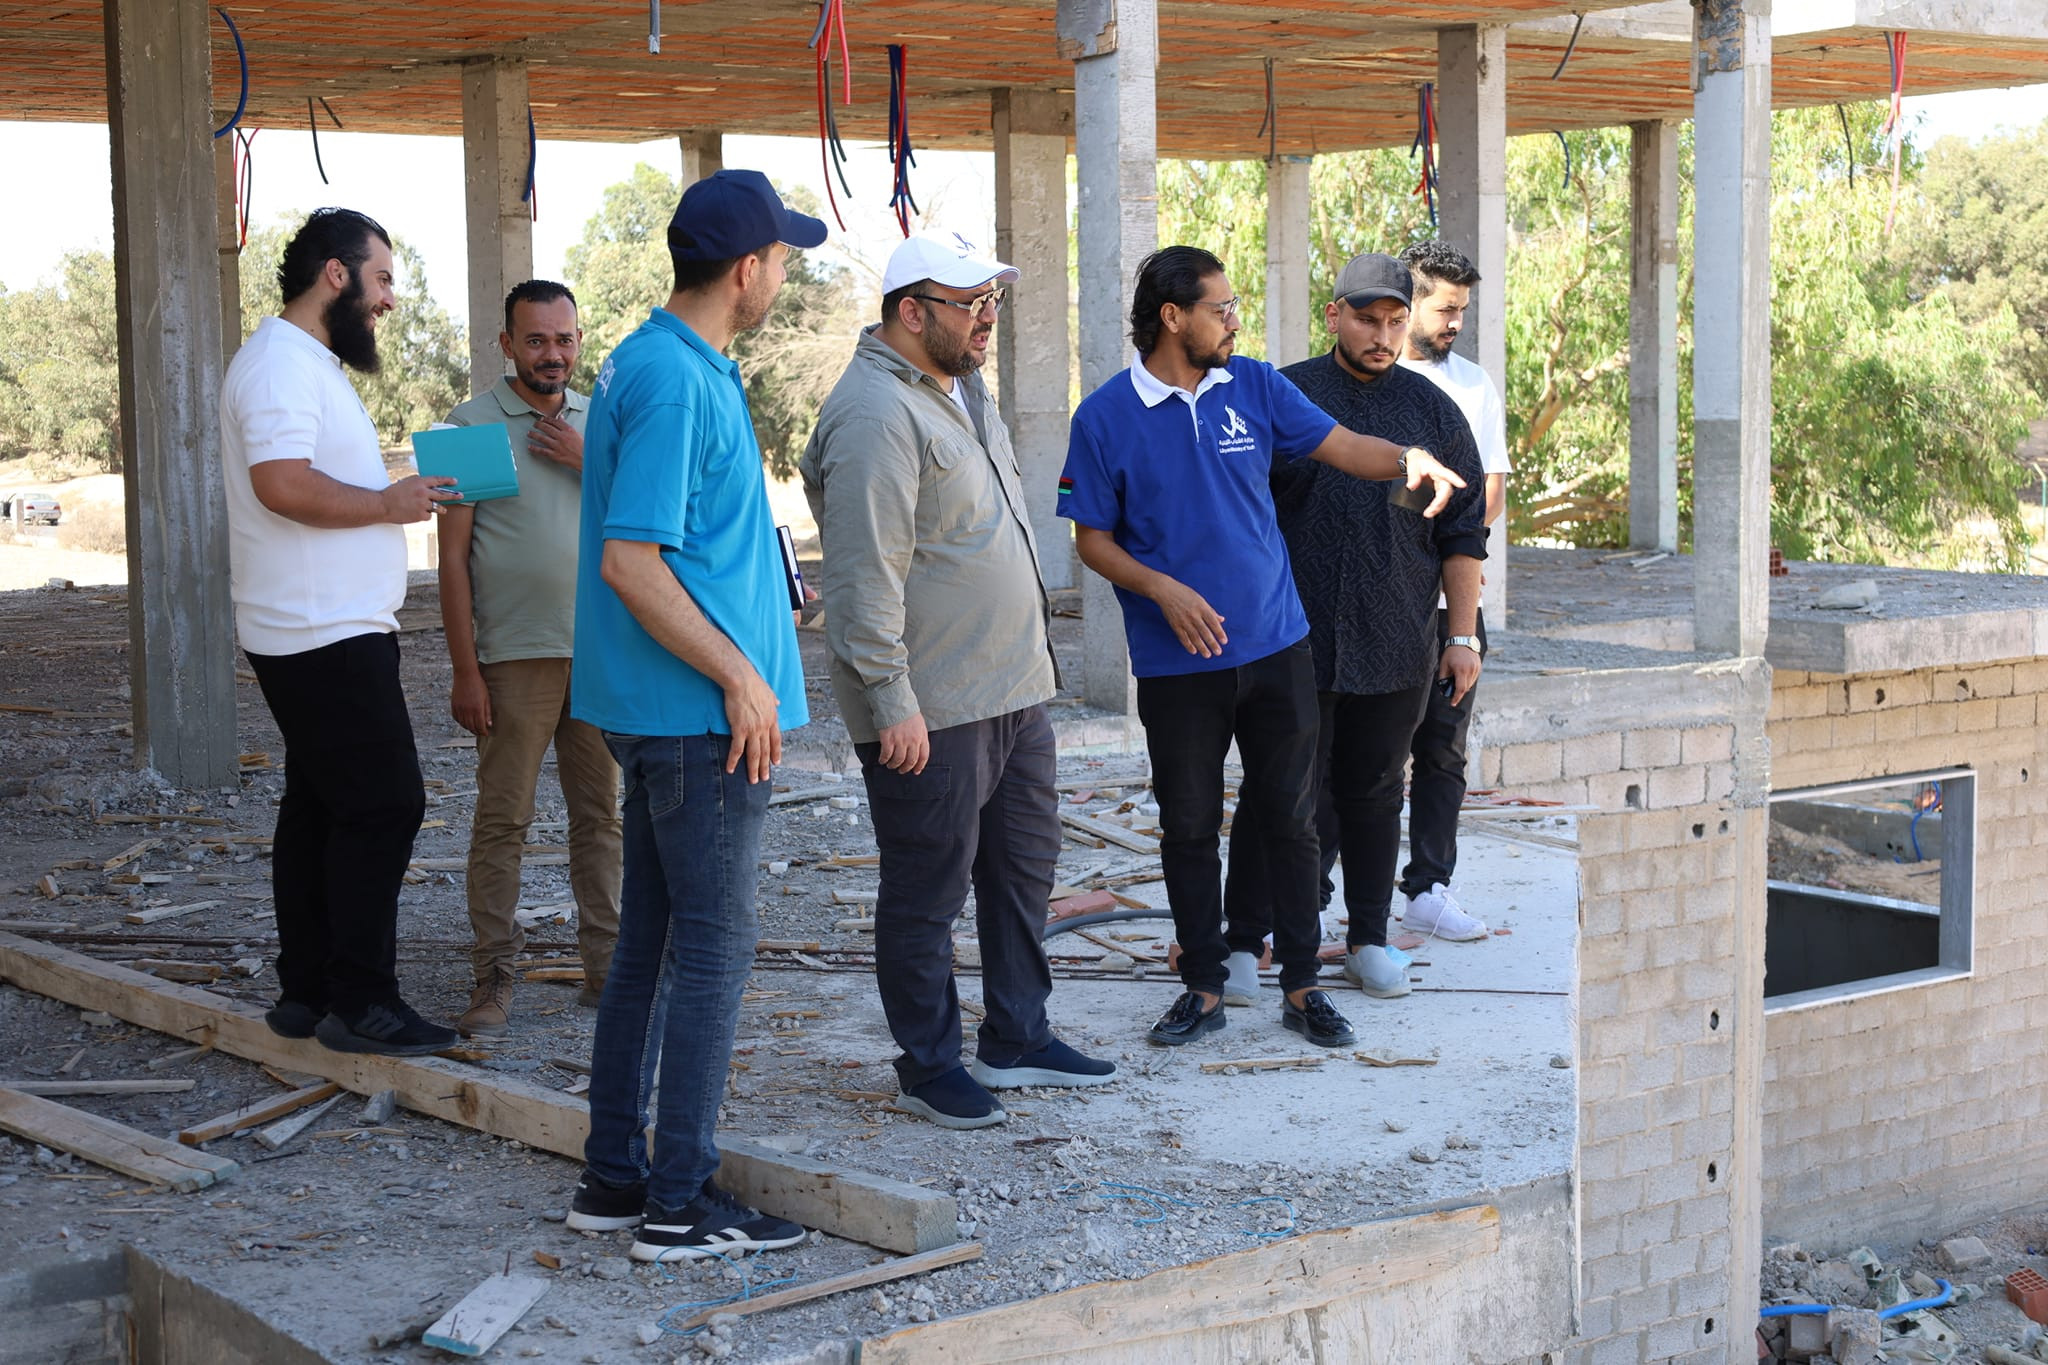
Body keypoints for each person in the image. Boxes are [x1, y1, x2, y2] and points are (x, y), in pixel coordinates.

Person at [1056, 245, 1466, 1050]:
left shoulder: (1253, 387)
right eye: (1222, 307)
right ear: (1173, 317)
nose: (1236, 319)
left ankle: (1303, 985)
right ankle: (1204, 985)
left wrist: (1406, 456)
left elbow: (1345, 445)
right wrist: (1163, 590)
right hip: (1181, 662)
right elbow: (1092, 541)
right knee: (1190, 823)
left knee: (1292, 817)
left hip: (1280, 646)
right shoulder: (1104, 417)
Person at [562, 170, 822, 1262]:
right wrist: (739, 674)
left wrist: (763, 583)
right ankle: (680, 1202)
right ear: (745, 268)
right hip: (695, 721)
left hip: (675, 711)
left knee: (653, 948)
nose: (785, 276)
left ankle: (616, 1180)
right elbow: (632, 560)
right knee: (713, 952)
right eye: (782, 259)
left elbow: (687, 539)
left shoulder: (671, 362)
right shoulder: (673, 380)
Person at [802, 232, 1116, 1131]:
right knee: (927, 887)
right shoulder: (874, 413)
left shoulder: (961, 391)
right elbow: (865, 576)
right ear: (912, 311)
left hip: (1012, 689)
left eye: (994, 304)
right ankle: (929, 1063)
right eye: (970, 304)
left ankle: (1018, 1034)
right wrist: (890, 700)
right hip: (933, 704)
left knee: (1023, 871)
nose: (987, 321)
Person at [218, 207, 462, 1056]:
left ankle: (308, 988)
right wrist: (390, 503)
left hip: (324, 626)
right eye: (383, 278)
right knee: (387, 803)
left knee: (319, 806)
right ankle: (363, 1001)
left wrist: (396, 491)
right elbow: (282, 483)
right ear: (336, 274)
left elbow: (306, 477)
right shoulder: (281, 366)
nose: (389, 299)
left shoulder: (301, 363)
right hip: (319, 631)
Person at [1223, 254, 1487, 1004]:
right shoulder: (1287, 396)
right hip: (1288, 640)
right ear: (1334, 314)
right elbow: (1239, 513)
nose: (1382, 334)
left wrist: (1460, 639)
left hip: (1397, 638)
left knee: (1375, 792)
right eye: (1367, 319)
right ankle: (1246, 939)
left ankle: (1368, 939)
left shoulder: (1434, 413)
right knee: (1278, 790)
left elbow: (1463, 534)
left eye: (1396, 320)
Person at [438, 281, 622, 1039]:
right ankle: (494, 979)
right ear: (507, 343)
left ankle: (608, 974)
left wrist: (594, 460)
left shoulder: (602, 421)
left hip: (604, 653)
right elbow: (451, 561)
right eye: (538, 340)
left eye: (567, 339)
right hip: (514, 659)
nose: (554, 354)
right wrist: (465, 668)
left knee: (601, 818)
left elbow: (646, 518)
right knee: (504, 820)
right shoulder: (470, 426)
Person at [1393, 240, 1514, 941]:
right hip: (1376, 604)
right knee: (1355, 755)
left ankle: (1429, 888)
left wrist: (1452, 554)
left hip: (1451, 608)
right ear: (1407, 303)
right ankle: (1314, 891)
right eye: (1445, 309)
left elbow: (1489, 488)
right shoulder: (1365, 384)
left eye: (1463, 311)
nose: (1455, 323)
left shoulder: (1473, 384)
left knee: (1443, 750)